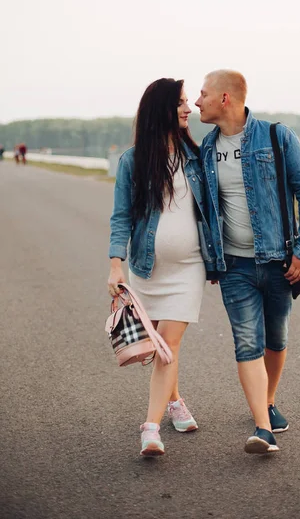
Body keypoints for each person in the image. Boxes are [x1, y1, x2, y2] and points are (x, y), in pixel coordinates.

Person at [196, 70, 300, 454]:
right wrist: (211, 259)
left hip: (280, 260)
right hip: (234, 265)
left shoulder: (276, 137)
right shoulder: (206, 149)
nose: (198, 101)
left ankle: (266, 399)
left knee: (276, 338)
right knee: (247, 341)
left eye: (202, 94)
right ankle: (262, 427)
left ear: (225, 99)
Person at [108, 78, 214, 457]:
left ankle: (150, 429)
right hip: (146, 270)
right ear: (161, 111)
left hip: (189, 270)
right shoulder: (133, 162)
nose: (188, 109)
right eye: (181, 103)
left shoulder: (199, 158)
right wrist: (115, 266)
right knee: (159, 347)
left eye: (188, 102)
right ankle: (174, 401)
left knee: (168, 345)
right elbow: (121, 217)